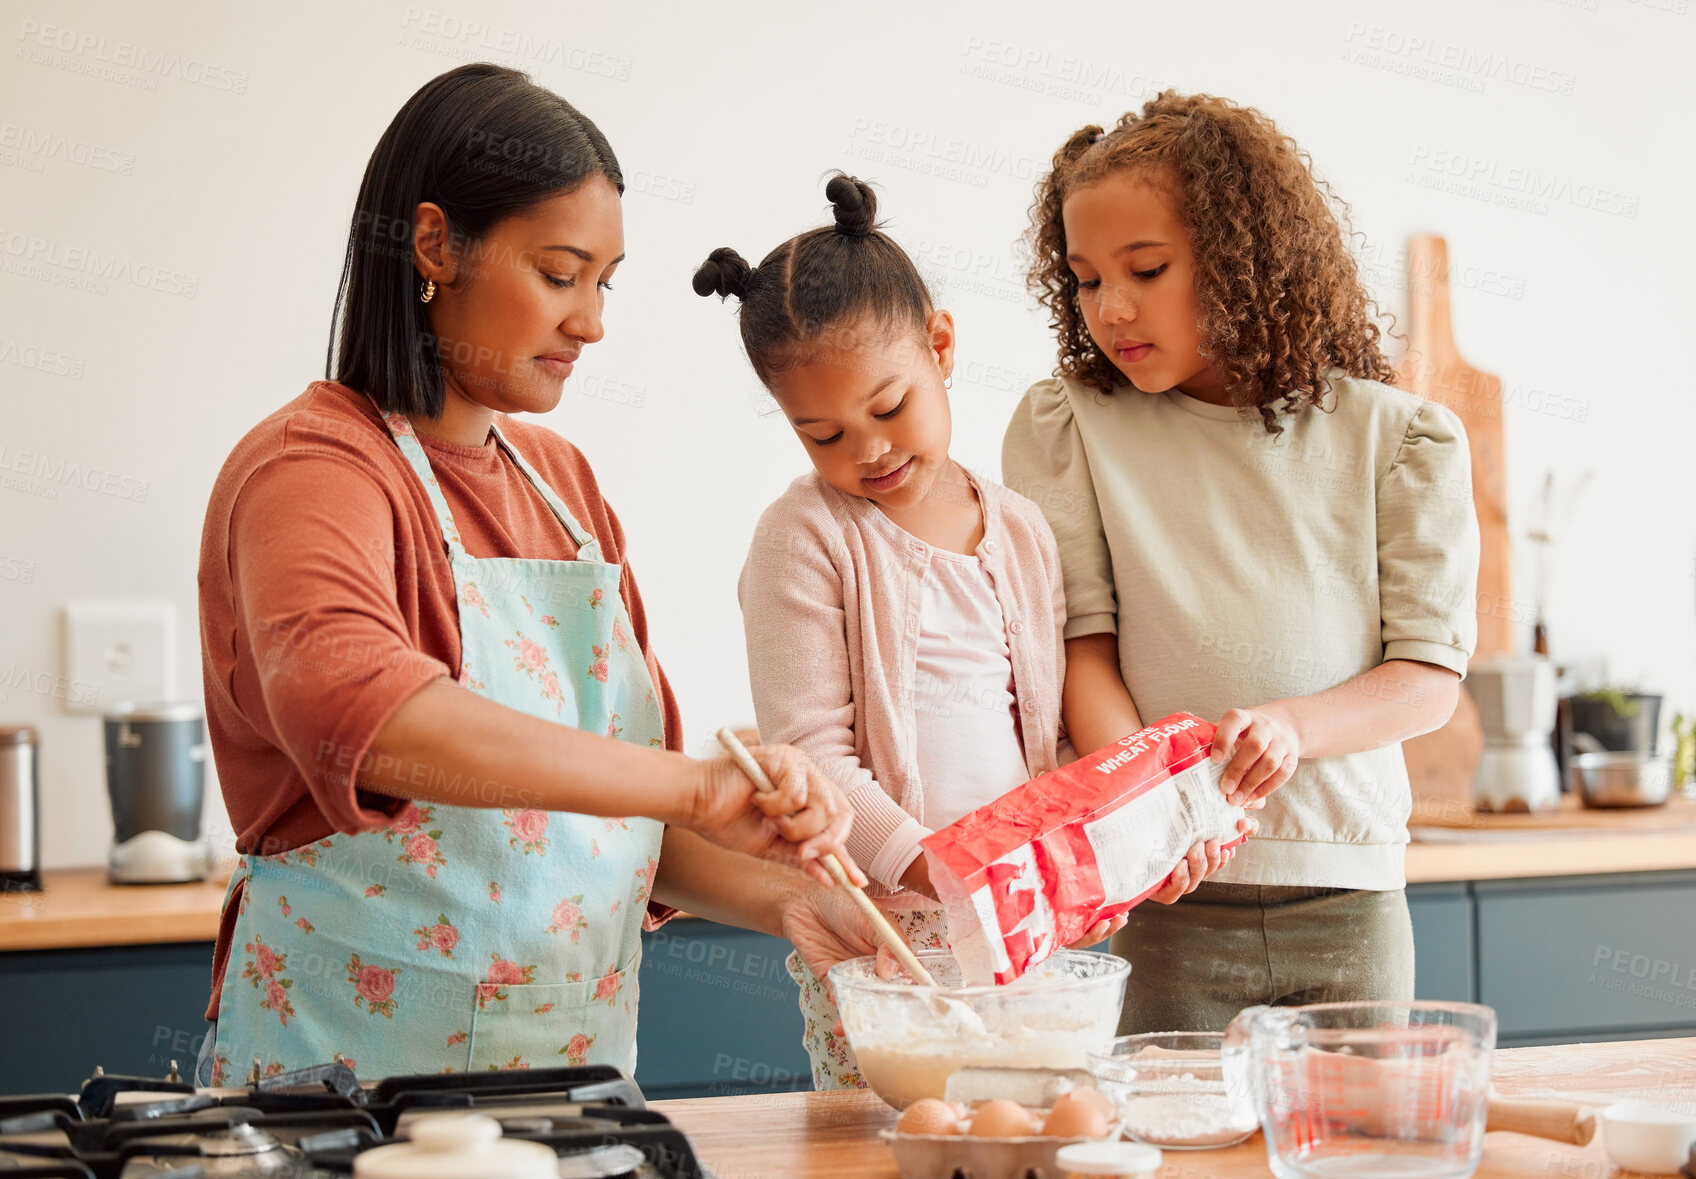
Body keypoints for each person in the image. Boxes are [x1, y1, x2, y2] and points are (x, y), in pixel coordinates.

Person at [194, 64, 877, 1084]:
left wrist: (788, 898)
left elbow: (604, 824)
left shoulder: (562, 484)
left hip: (575, 1102)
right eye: (560, 275)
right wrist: (693, 786)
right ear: (434, 246)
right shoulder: (311, 470)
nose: (592, 322)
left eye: (604, 283)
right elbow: (365, 717)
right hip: (343, 1108)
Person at [694, 175, 1244, 1088]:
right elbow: (812, 757)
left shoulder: (1022, 529)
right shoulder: (804, 537)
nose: (866, 450)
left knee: (1026, 1129)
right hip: (883, 953)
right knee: (897, 1142)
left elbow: (1055, 736)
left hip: (1026, 939)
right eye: (821, 434)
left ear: (941, 346)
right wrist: (943, 874)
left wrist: (1102, 856)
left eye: (887, 406)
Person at [1004, 92, 1481, 1033]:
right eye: (1087, 280)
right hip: (1172, 896)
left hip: (1347, 898)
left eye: (1145, 268)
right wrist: (1160, 807)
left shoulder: (1398, 438)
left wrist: (1295, 726)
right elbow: (1079, 654)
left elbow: (1428, 679)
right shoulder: (1073, 427)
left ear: (1242, 258)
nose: (1113, 307)